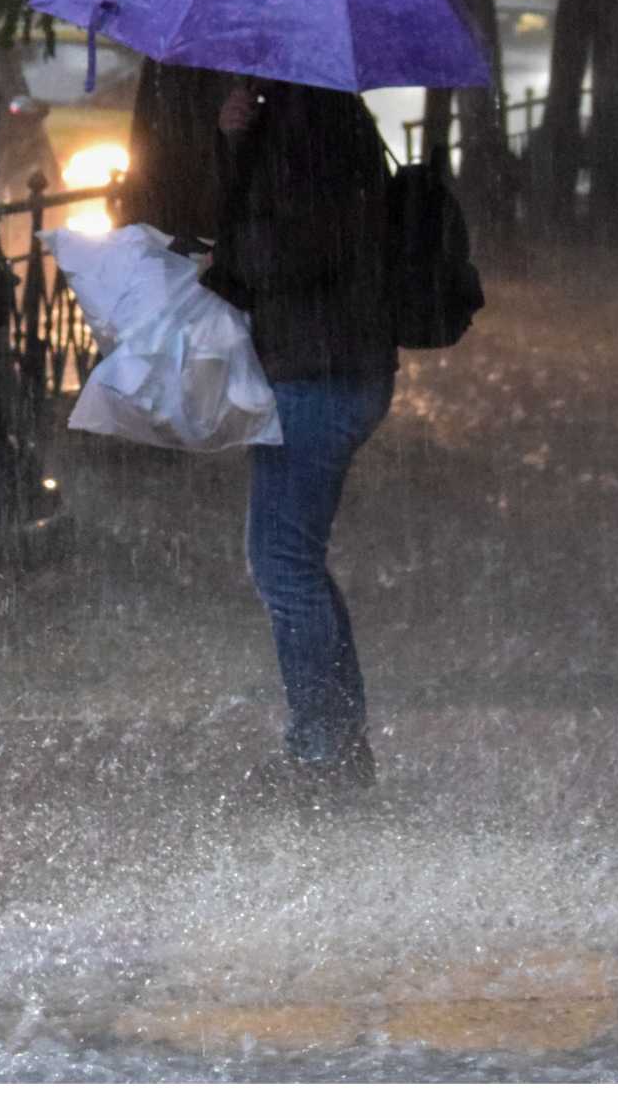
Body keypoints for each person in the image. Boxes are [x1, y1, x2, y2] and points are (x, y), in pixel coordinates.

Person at [205, 77, 397, 795]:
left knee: (283, 566)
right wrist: (235, 143)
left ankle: (325, 751)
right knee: (295, 564)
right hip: (331, 362)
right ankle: (338, 742)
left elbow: (285, 255)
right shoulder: (316, 113)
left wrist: (241, 157)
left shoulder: (309, 125)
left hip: (320, 369)